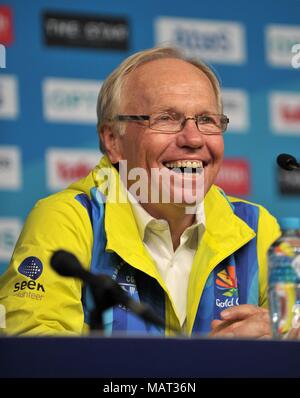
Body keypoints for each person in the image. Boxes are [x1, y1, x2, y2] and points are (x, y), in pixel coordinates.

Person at [0, 46, 281, 337]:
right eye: (166, 118)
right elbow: (35, 360)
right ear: (113, 140)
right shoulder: (69, 220)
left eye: (207, 120)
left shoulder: (257, 228)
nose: (194, 138)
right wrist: (204, 366)